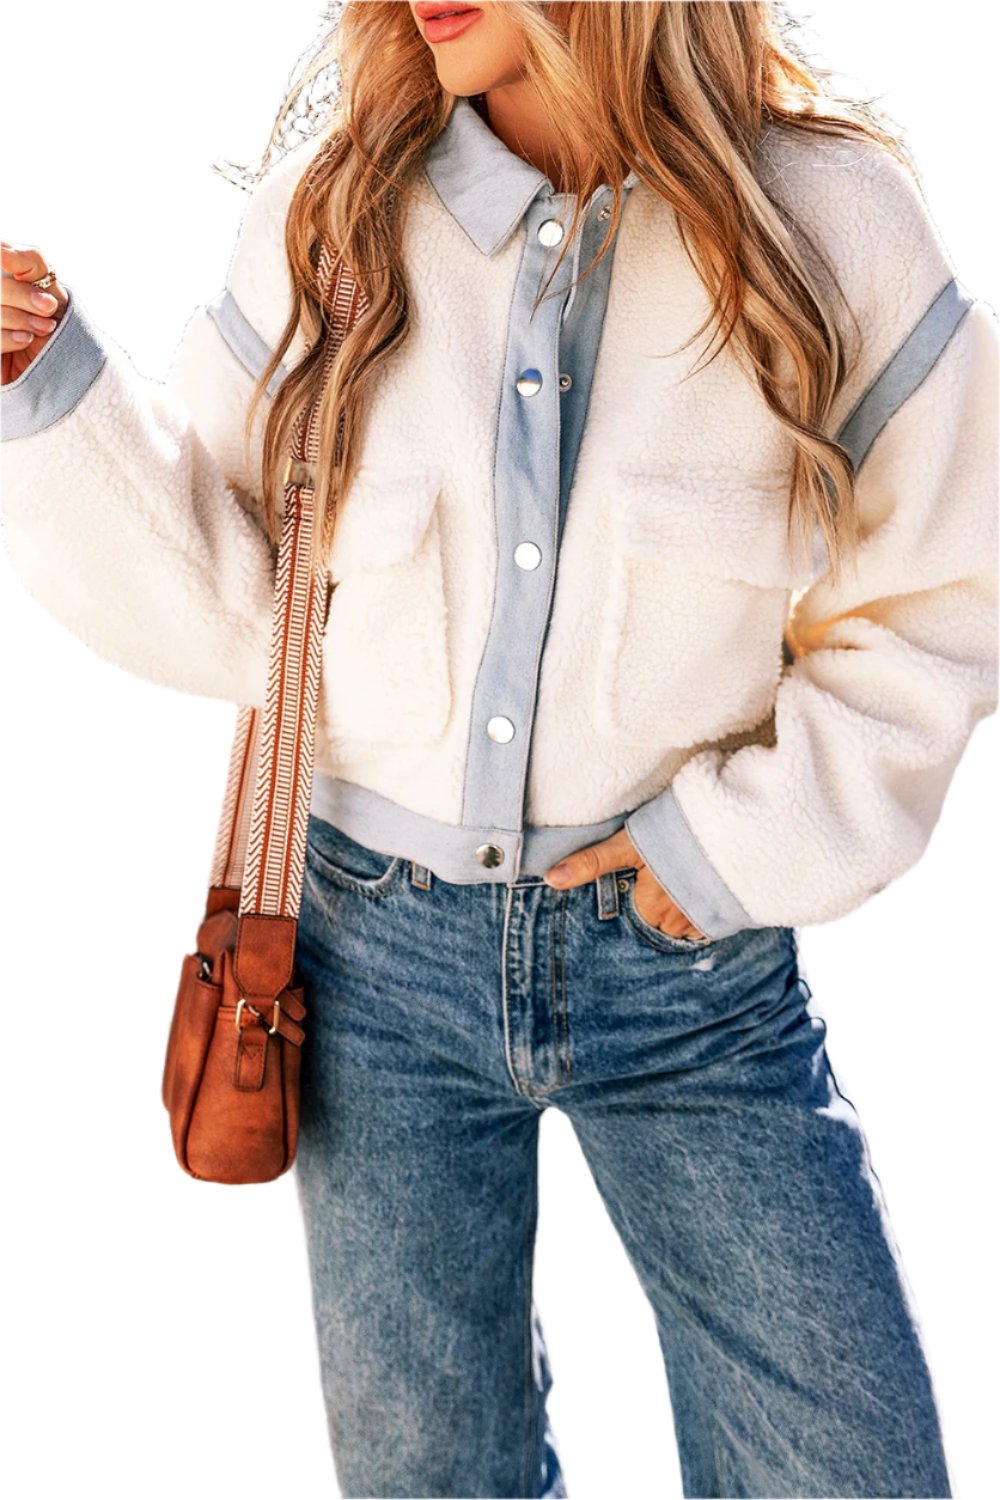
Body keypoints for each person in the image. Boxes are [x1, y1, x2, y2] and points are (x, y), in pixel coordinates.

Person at [2, 3, 996, 1496]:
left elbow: (945, 596)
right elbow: (239, 608)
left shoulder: (829, 223)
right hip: (371, 967)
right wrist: (43, 393)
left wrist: (731, 848)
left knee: (845, 1465)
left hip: (687, 980)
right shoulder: (335, 214)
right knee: (429, 1475)